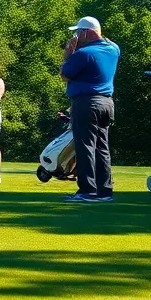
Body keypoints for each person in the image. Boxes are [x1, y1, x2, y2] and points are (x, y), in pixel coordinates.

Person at [60, 16, 120, 203]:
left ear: (86, 32)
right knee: (102, 146)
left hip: (86, 102)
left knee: (85, 145)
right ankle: (104, 190)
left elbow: (65, 74)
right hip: (106, 103)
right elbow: (110, 43)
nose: (76, 36)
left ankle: (88, 190)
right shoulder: (113, 49)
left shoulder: (82, 54)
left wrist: (68, 53)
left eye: (78, 32)